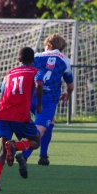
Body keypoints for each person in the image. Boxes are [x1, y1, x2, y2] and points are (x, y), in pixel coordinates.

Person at [15, 33, 74, 177]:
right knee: (38, 131)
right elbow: (70, 85)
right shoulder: (65, 61)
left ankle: (43, 156)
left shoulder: (36, 57)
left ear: (48, 46)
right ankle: (22, 153)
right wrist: (67, 94)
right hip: (47, 101)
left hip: (30, 97)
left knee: (50, 121)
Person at [0, 47, 43, 191]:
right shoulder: (36, 71)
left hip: (3, 115)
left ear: (19, 60)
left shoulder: (9, 73)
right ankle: (16, 146)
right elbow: (39, 84)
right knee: (36, 141)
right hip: (20, 116)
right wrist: (38, 105)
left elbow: (3, 92)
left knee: (2, 151)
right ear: (33, 60)